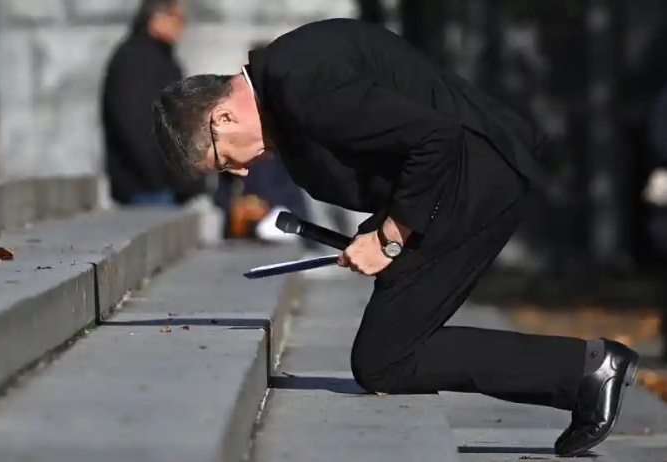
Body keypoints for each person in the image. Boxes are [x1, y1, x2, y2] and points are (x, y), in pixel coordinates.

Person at [150, 19, 639, 457]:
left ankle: (587, 370)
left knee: (386, 358)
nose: (237, 173)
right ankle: (585, 369)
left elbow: (435, 138)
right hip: (455, 184)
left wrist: (389, 236)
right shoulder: (288, 80)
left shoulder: (302, 86)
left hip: (474, 180)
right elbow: (390, 150)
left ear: (222, 119)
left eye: (223, 162)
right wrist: (376, 231)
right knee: (388, 353)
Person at [101, 0, 204, 206]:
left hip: (166, 186)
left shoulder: (160, 59)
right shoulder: (135, 60)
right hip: (148, 188)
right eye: (177, 18)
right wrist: (163, 177)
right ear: (155, 18)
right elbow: (133, 125)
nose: (181, 26)